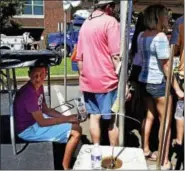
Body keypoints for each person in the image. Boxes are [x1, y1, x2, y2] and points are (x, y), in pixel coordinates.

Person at [138, 4, 184, 169]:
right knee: (165, 123)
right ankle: (164, 160)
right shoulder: (160, 37)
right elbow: (166, 66)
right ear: (158, 17)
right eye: (165, 15)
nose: (167, 18)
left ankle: (145, 149)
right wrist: (178, 89)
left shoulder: (142, 35)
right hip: (158, 83)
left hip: (144, 81)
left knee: (149, 116)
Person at [14, 66, 82, 170]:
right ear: (29, 74)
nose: (38, 78)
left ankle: (66, 151)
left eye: (41, 75)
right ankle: (65, 167)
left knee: (74, 124)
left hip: (34, 122)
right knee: (76, 132)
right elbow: (42, 122)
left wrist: (67, 117)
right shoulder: (29, 94)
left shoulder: (39, 87)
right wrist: (67, 119)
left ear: (45, 74)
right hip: (28, 130)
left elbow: (46, 110)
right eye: (35, 75)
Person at [76, 0, 121, 146]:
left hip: (88, 79)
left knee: (94, 117)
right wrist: (123, 81)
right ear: (108, 6)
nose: (114, 9)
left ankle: (96, 149)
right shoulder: (111, 22)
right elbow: (116, 55)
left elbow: (79, 57)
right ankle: (113, 155)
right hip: (107, 80)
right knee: (113, 120)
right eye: (113, 6)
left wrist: (82, 77)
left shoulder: (85, 23)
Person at [170, 15, 184, 162]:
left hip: (184, 73)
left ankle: (180, 141)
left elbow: (174, 48)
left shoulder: (181, 21)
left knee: (181, 109)